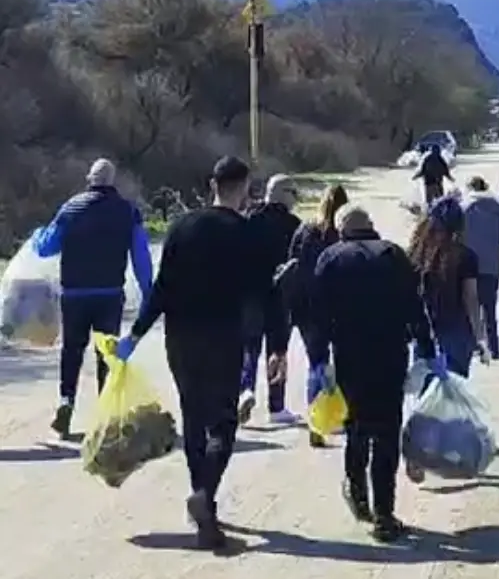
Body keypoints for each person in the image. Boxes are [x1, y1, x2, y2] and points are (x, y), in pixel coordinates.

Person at [114, 156, 289, 549]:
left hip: (180, 337)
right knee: (224, 421)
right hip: (224, 337)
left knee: (193, 418)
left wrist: (135, 335)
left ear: (213, 184)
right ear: (244, 188)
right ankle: (205, 494)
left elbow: (161, 288)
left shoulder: (182, 227)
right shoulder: (248, 234)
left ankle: (202, 505)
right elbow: (268, 293)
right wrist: (277, 346)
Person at [308, 204, 437, 543]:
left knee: (356, 429)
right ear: (372, 226)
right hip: (390, 356)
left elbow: (317, 315)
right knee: (386, 433)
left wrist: (318, 359)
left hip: (350, 357)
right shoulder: (394, 256)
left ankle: (358, 495)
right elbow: (416, 305)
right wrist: (427, 347)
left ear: (341, 230)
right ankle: (384, 514)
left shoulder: (331, 258)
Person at [31, 158, 153, 440]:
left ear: (89, 179)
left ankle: (66, 401)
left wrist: (37, 236)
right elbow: (141, 257)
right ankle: (106, 416)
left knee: (72, 350)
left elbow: (46, 248)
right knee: (107, 354)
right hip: (109, 294)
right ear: (112, 181)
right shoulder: (127, 211)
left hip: (73, 294)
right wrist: (149, 293)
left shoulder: (71, 208)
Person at [286, 183, 349, 448]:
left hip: (306, 307)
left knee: (317, 363)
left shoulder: (306, 230)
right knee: (343, 361)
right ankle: (340, 414)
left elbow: (291, 262)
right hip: (337, 306)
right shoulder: (343, 233)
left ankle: (315, 421)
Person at [238, 174, 302, 426]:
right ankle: (277, 406)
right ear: (286, 195)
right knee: (278, 351)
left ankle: (246, 389)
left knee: (249, 349)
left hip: (249, 295)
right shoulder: (293, 224)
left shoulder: (249, 219)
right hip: (280, 297)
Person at [408, 195, 491, 375]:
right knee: (454, 394)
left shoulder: (417, 256)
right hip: (457, 334)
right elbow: (471, 299)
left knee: (427, 393)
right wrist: (480, 337)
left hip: (424, 331)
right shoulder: (465, 256)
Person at [461, 176, 499, 359]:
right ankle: (494, 348)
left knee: (468, 308)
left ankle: (472, 346)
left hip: (466, 266)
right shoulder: (496, 206)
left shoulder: (463, 207)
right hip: (491, 265)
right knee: (490, 309)